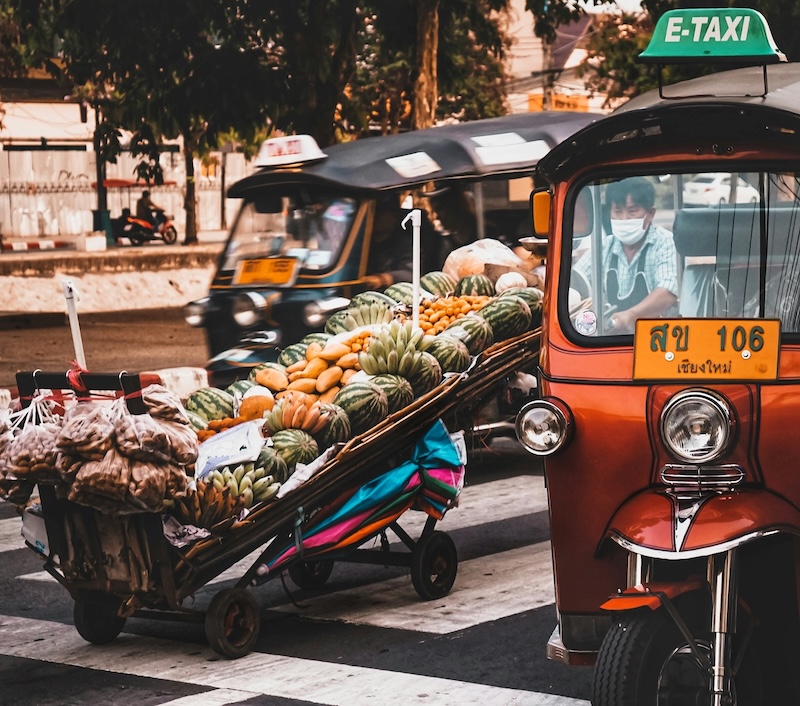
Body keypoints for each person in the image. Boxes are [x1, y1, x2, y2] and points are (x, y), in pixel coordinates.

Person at [576, 176, 678, 333]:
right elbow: (577, 280)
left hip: (659, 338)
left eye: (632, 211)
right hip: (612, 339)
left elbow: (668, 291)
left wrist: (631, 315)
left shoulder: (664, 242)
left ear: (650, 214)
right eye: (617, 211)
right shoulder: (604, 246)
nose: (624, 219)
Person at [362, 194, 439, 290]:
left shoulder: (405, 243)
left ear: (394, 216)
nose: (374, 218)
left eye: (380, 213)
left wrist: (383, 279)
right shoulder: (362, 244)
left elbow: (410, 274)